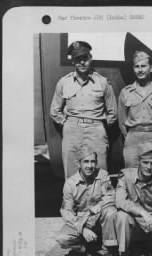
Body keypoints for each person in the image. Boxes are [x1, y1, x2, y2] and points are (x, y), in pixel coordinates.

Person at [50, 41, 117, 178]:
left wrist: (99, 126)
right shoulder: (64, 82)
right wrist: (69, 124)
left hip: (96, 129)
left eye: (84, 58)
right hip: (72, 131)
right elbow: (54, 111)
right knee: (72, 171)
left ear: (90, 59)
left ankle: (100, 199)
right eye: (77, 59)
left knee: (100, 172)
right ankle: (73, 198)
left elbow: (112, 113)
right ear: (73, 62)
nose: (82, 62)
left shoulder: (102, 82)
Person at [56, 145, 118, 256]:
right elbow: (66, 211)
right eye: (86, 162)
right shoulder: (70, 183)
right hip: (80, 222)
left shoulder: (103, 175)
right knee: (63, 238)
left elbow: (111, 196)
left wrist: (90, 212)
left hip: (99, 218)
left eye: (93, 162)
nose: (90, 166)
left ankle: (108, 250)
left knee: (111, 211)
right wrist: (82, 229)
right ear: (78, 163)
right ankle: (86, 246)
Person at [118, 50, 152, 177]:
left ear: (151, 68)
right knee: (132, 176)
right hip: (133, 138)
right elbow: (122, 121)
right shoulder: (126, 92)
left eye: (143, 66)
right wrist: (132, 135)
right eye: (137, 66)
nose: (140, 70)